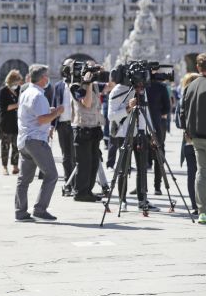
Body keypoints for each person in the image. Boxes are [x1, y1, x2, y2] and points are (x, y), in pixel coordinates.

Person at [14, 64, 64, 222]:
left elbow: (32, 114)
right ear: (43, 78)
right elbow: (42, 120)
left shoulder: (26, 92)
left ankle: (20, 211)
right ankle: (40, 209)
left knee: (24, 179)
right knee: (52, 175)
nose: (48, 78)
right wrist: (57, 112)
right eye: (46, 76)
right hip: (36, 140)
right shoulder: (39, 95)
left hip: (24, 140)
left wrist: (48, 111)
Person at [108, 78, 158, 212]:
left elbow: (145, 112)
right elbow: (111, 116)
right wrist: (128, 108)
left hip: (140, 133)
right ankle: (122, 200)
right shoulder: (118, 90)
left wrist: (151, 133)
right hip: (124, 134)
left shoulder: (142, 90)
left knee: (142, 168)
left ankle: (142, 200)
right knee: (123, 169)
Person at [181, 52, 206, 224]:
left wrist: (187, 131)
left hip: (196, 137)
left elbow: (182, 111)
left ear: (198, 67)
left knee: (201, 173)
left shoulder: (189, 87)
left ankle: (202, 212)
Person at [70, 65, 108, 202]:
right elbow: (86, 103)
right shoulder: (75, 87)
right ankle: (80, 192)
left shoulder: (97, 86)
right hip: (82, 128)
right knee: (84, 163)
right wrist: (88, 83)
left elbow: (111, 86)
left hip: (95, 128)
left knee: (93, 162)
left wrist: (105, 72)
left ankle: (88, 191)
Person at [50, 59, 75, 195]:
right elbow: (54, 104)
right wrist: (51, 126)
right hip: (62, 125)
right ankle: (68, 182)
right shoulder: (58, 85)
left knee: (75, 156)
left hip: (75, 124)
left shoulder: (78, 84)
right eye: (67, 67)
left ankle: (77, 182)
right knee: (66, 156)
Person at [146, 77, 171, 195]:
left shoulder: (141, 87)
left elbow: (167, 107)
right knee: (158, 155)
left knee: (143, 156)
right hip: (157, 124)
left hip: (145, 124)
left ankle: (144, 186)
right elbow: (167, 108)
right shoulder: (161, 87)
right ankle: (157, 186)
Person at [0, 70, 22, 176]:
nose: (18, 84)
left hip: (16, 122)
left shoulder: (19, 90)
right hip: (5, 122)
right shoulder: (3, 91)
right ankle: (4, 166)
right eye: (17, 81)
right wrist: (17, 105)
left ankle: (15, 166)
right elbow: (4, 107)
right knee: (5, 145)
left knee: (16, 146)